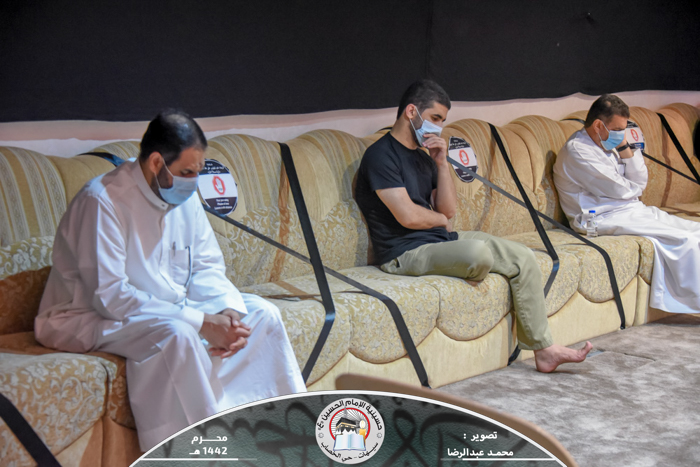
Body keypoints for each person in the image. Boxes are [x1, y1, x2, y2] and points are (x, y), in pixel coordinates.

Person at [35, 110, 306, 451]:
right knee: (178, 335)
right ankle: (204, 452)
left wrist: (225, 313)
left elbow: (206, 265)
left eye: (198, 171)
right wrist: (202, 322)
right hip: (88, 315)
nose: (193, 181)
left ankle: (278, 438)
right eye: (187, 172)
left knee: (262, 315)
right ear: (156, 163)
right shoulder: (102, 201)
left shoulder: (183, 196)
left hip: (166, 307)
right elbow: (111, 296)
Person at [355, 79, 592, 373]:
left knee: (523, 256)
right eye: (434, 118)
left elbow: (448, 210)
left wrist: (441, 164)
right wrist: (441, 221)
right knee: (478, 253)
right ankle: (470, 264)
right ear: (411, 112)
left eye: (442, 121)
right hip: (403, 253)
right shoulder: (380, 155)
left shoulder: (423, 157)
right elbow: (409, 217)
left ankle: (544, 350)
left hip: (438, 240)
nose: (438, 128)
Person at [554, 94, 700, 314]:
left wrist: (624, 148)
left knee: (696, 231)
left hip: (630, 209)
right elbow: (622, 190)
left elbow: (639, 181)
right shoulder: (578, 151)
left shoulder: (610, 142)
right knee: (685, 240)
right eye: (617, 129)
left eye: (623, 129)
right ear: (598, 125)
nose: (621, 135)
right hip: (598, 219)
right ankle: (693, 303)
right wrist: (633, 187)